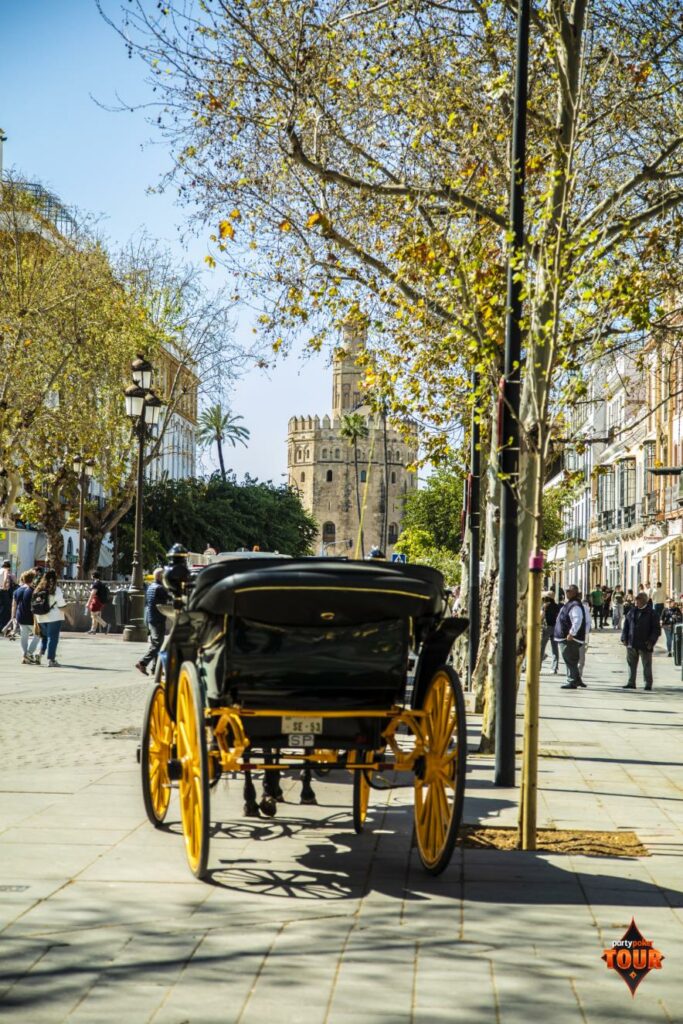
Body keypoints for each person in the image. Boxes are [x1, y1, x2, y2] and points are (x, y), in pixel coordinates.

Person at [621, 591, 661, 690]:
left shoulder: (652, 613)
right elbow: (626, 625)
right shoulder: (632, 611)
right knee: (631, 664)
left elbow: (656, 629)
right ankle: (631, 682)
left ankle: (648, 683)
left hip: (645, 643)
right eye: (636, 600)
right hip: (631, 642)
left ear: (644, 601)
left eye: (638, 600)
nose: (636, 602)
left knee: (646, 664)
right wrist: (624, 638)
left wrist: (651, 641)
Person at [553, 583, 587, 689]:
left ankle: (572, 681)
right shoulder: (570, 603)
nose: (566, 593)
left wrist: (572, 633)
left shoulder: (575, 605)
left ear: (574, 593)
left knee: (570, 660)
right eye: (566, 591)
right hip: (566, 637)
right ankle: (577, 679)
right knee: (571, 659)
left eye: (568, 591)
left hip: (569, 638)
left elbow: (577, 620)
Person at [135, 567, 168, 676]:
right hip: (158, 619)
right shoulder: (160, 588)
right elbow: (168, 601)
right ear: (161, 576)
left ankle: (156, 669)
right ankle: (142, 662)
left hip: (151, 618)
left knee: (155, 643)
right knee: (158, 643)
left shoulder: (151, 587)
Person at [32, 569, 67, 667]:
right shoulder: (55, 589)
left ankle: (39, 655)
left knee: (44, 637)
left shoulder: (38, 588)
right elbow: (61, 604)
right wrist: (67, 611)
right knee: (53, 638)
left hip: (40, 617)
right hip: (54, 617)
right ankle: (51, 660)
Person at [10, 570, 40, 665]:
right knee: (38, 635)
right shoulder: (33, 590)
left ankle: (24, 655)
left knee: (24, 637)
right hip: (31, 617)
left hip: (20, 616)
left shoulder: (17, 591)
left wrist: (13, 617)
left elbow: (14, 605)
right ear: (32, 579)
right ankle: (29, 654)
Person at [540, 593, 560, 673]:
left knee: (542, 647)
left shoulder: (545, 606)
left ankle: (538, 666)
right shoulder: (556, 606)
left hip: (546, 627)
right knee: (555, 648)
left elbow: (542, 616)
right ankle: (554, 668)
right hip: (555, 627)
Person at [578, 590, 592, 677]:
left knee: (581, 656)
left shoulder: (584, 608)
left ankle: (578, 676)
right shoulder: (568, 607)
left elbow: (588, 622)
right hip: (571, 636)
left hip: (581, 635)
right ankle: (573, 676)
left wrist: (585, 633)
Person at [0, 559, 17, 631]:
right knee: (6, 610)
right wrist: (4, 586)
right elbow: (5, 578)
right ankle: (3, 627)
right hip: (4, 591)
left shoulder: (0, 570)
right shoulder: (6, 570)